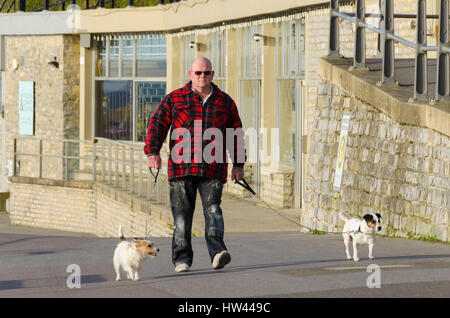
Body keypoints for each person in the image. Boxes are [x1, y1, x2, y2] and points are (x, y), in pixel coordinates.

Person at [144, 57, 246, 273]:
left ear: (213, 74)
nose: (202, 77)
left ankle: (218, 253)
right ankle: (182, 259)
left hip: (213, 168)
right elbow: (157, 124)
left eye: (206, 73)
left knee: (213, 210)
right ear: (190, 74)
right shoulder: (175, 99)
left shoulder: (224, 102)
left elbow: (235, 133)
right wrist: (152, 152)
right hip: (181, 168)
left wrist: (238, 164)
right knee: (182, 216)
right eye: (198, 73)